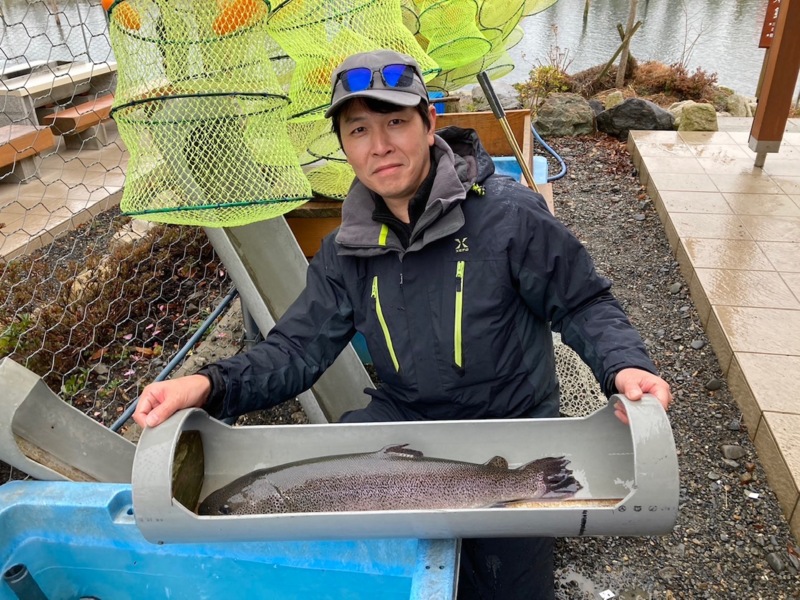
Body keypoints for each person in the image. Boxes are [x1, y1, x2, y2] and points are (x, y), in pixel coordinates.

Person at [133, 49, 672, 599]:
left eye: (395, 121)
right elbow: (295, 350)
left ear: (429, 122)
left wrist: (625, 366)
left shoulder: (510, 216)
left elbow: (583, 301)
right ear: (343, 146)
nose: (379, 144)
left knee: (509, 582)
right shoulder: (345, 250)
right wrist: (208, 384)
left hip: (510, 415)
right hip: (405, 418)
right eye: (359, 129)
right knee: (377, 555)